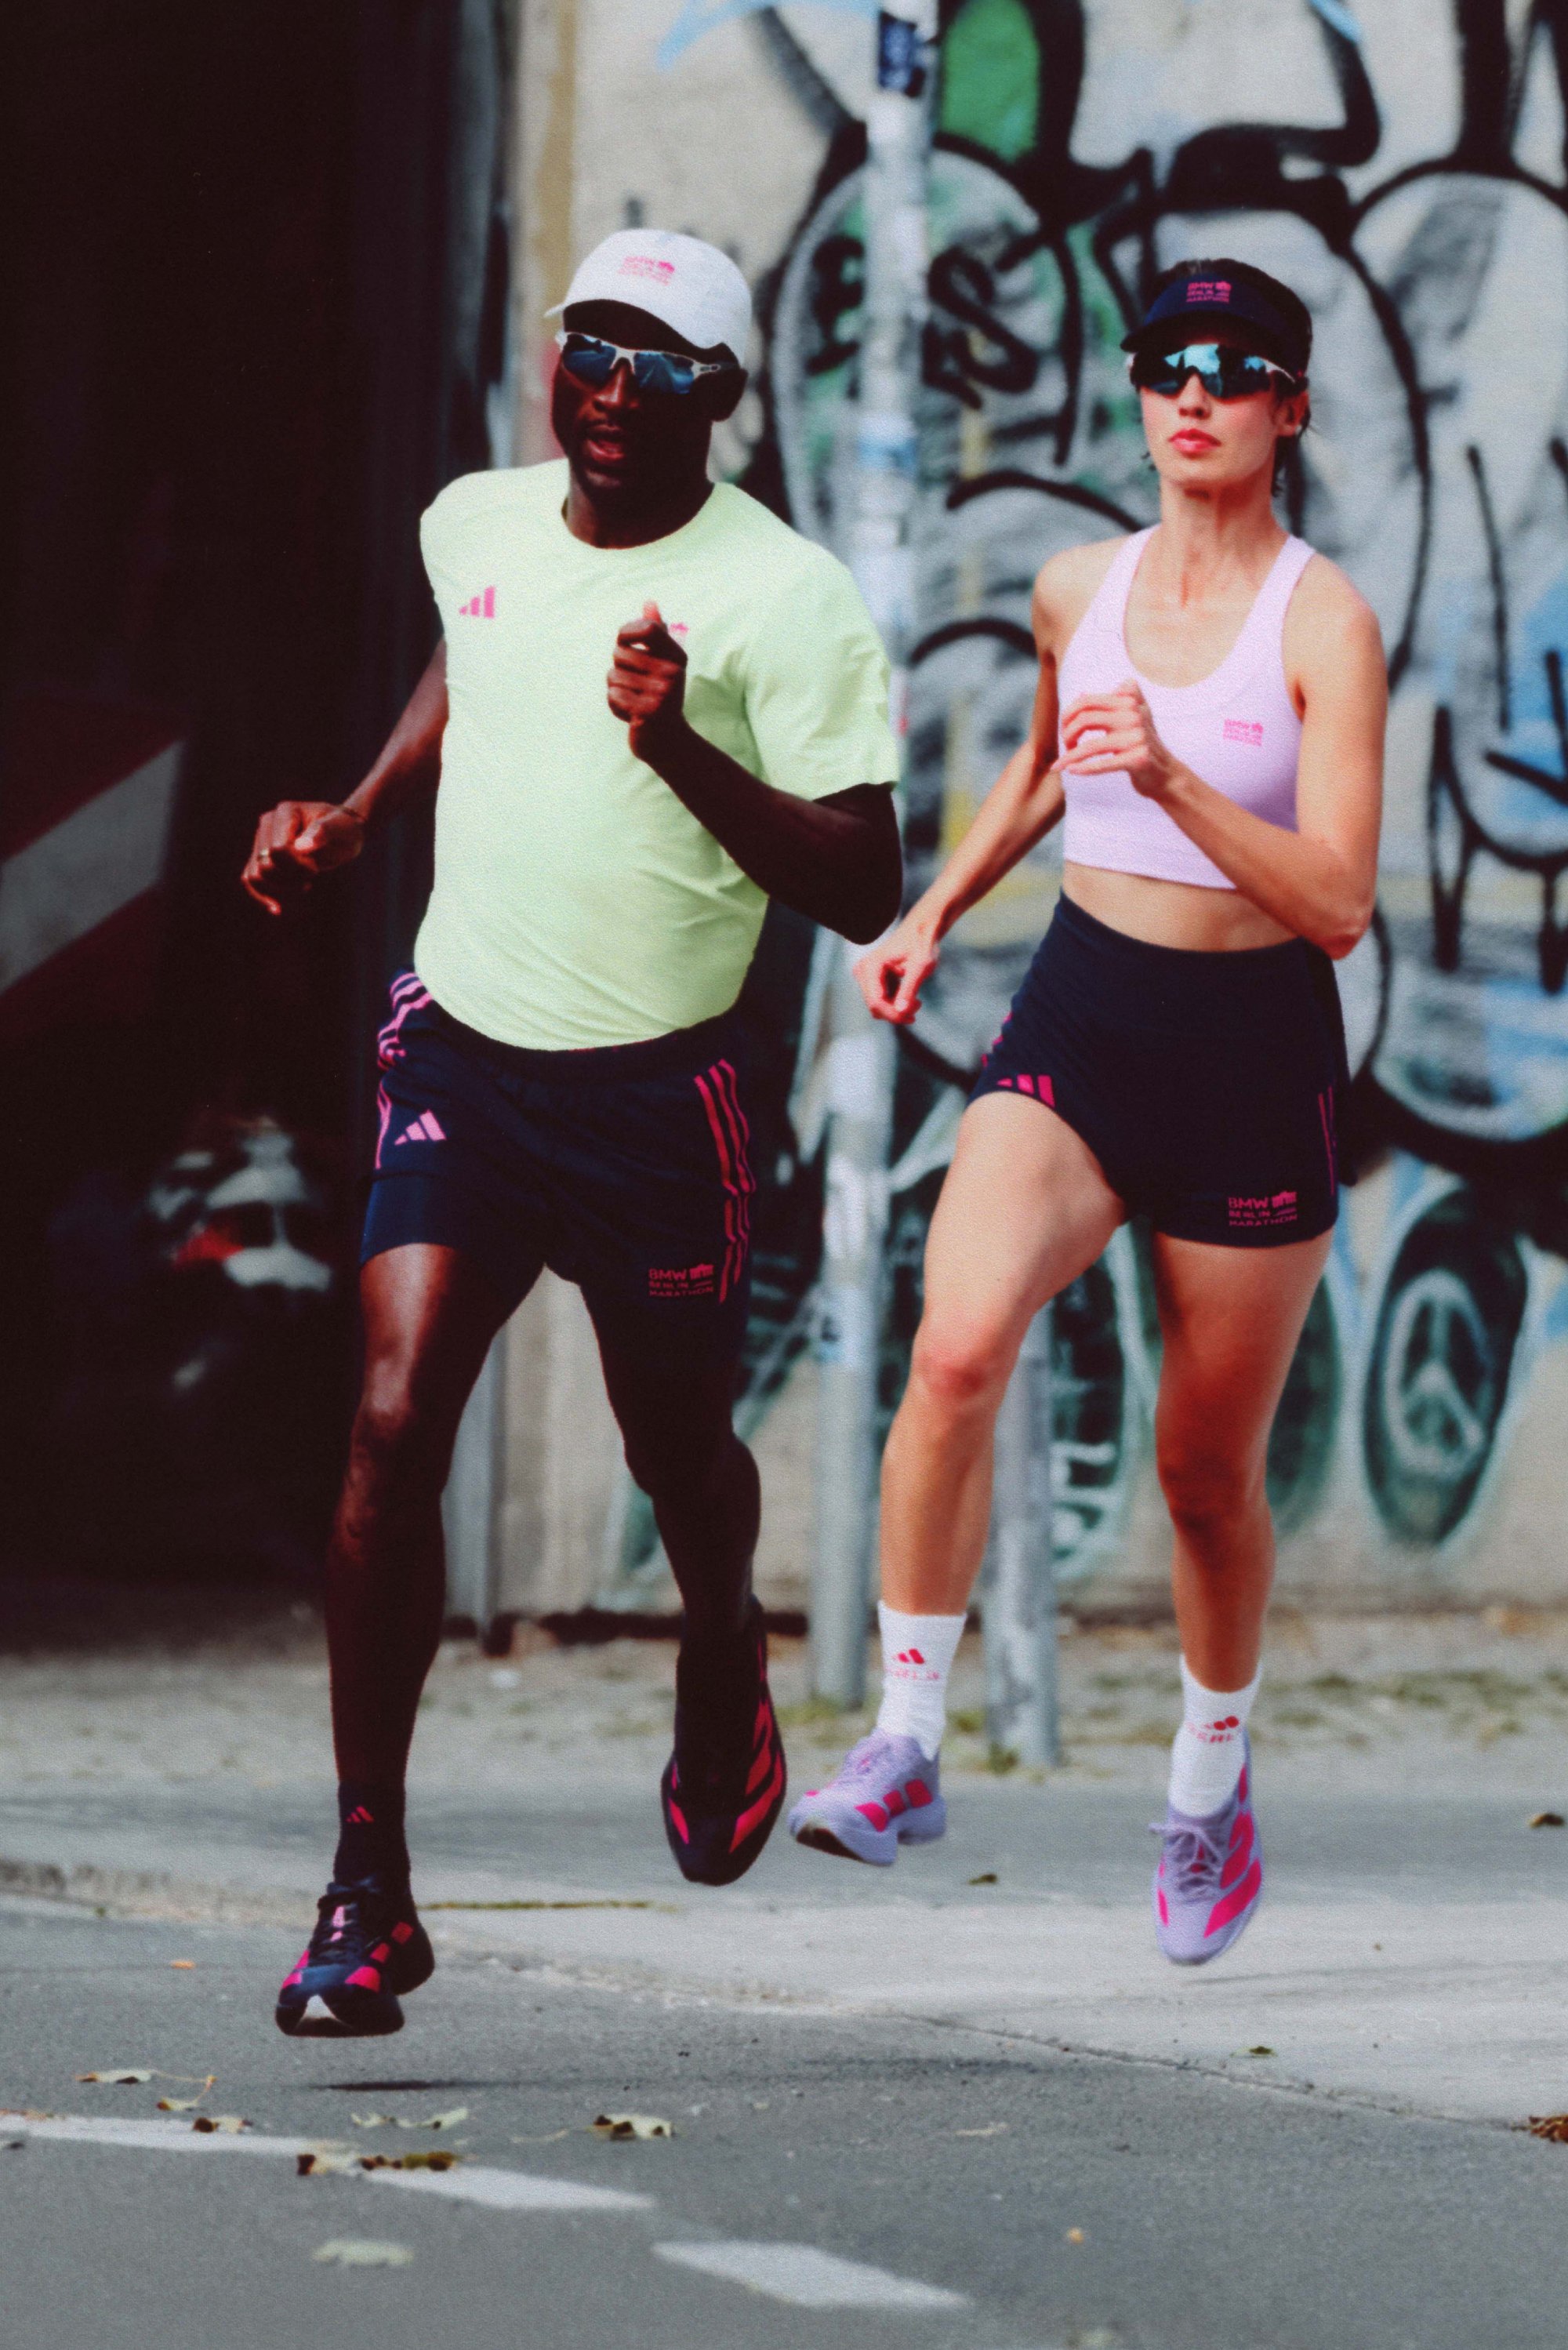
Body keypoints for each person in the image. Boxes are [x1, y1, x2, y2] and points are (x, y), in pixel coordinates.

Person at [242, 228, 902, 2035]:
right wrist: (359, 808)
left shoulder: (787, 599)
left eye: (661, 366)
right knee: (392, 1421)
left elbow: (864, 878)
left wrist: (677, 747)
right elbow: (475, 659)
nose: (614, 393)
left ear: (724, 398)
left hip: (658, 1094)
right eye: (591, 351)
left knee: (675, 1451)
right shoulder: (475, 520)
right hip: (466, 1049)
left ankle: (723, 1637)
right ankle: (366, 1887)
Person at [788, 258, 1385, 1966]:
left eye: (1235, 367)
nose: (1194, 391)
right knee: (955, 1345)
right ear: (1137, 390)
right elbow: (1053, 763)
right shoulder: (1079, 586)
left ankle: (1208, 1791)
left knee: (1203, 1475)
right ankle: (905, 1739)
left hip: (1254, 1049)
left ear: (1288, 408)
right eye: (1166, 361)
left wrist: (1179, 775)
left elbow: (1338, 901)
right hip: (1084, 1013)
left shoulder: (1323, 623)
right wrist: (932, 909)